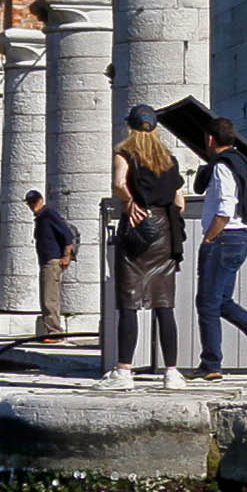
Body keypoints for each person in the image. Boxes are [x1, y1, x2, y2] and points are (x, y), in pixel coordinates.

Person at [184, 115, 247, 380]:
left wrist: (209, 238)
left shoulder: (222, 166)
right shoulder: (242, 162)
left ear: (211, 139)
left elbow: (225, 208)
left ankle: (211, 364)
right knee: (221, 302)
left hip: (224, 237)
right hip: (241, 237)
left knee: (206, 303)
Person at [108, 105, 187, 382]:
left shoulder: (124, 153)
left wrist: (130, 203)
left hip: (137, 227)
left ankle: (123, 370)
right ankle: (172, 372)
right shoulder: (169, 159)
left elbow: (119, 183)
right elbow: (180, 201)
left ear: (129, 126)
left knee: (129, 301)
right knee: (164, 303)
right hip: (165, 231)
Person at [27, 187, 77, 335]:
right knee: (46, 298)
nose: (32, 205)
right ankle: (51, 331)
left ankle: (55, 332)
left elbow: (67, 234)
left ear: (41, 201)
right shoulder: (41, 217)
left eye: (34, 202)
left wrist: (67, 255)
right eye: (29, 203)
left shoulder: (49, 214)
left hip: (52, 261)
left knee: (50, 299)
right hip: (45, 261)